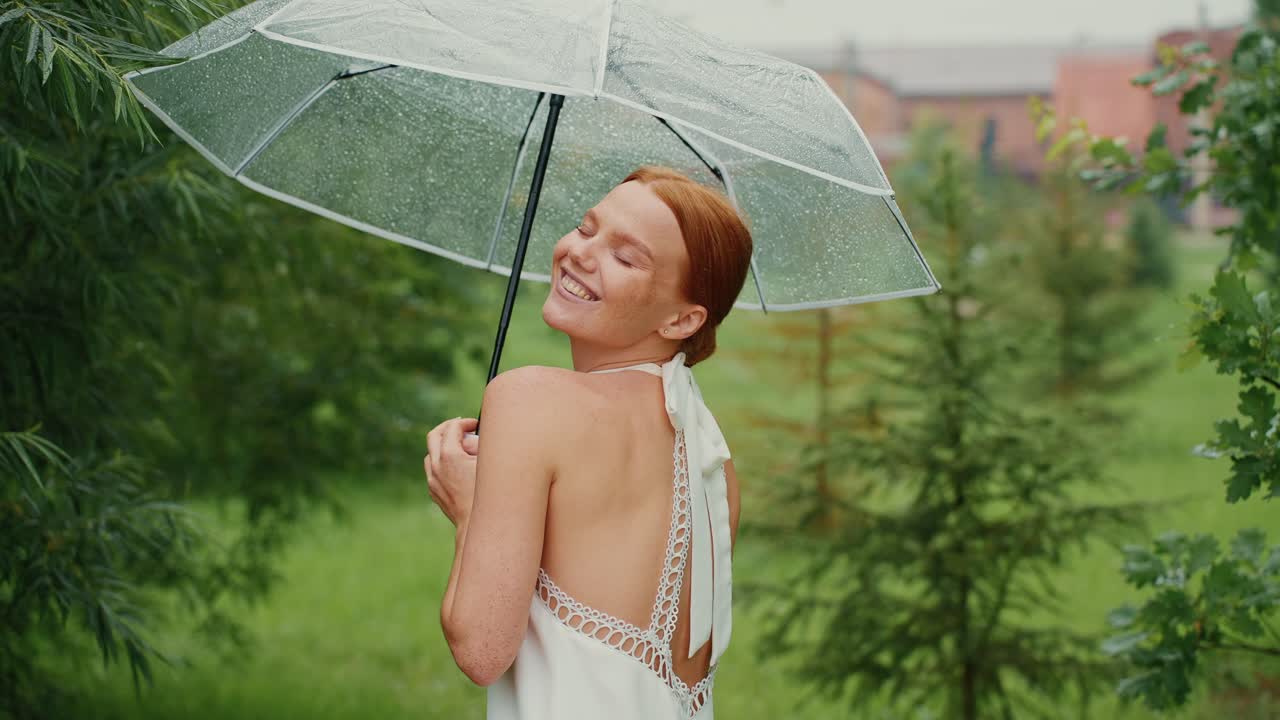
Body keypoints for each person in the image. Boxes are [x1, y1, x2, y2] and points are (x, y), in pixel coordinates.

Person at [424, 165, 753, 719]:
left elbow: (482, 651)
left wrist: (468, 512)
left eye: (626, 257)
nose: (581, 252)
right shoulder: (714, 464)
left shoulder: (531, 401)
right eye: (585, 227)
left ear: (682, 318)